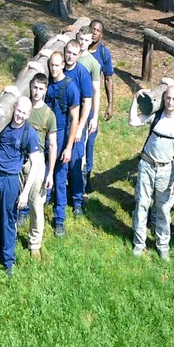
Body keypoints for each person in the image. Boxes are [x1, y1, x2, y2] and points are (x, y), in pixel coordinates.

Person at [0, 97, 42, 275]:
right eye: (18, 110)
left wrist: (25, 193)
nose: (20, 115)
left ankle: (8, 262)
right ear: (14, 108)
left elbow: (36, 164)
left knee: (7, 220)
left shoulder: (29, 133)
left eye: (24, 113)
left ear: (29, 114)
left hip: (10, 180)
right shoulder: (3, 122)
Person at [129, 86, 174, 261]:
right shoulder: (156, 114)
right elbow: (133, 121)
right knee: (142, 203)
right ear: (164, 98)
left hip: (166, 169)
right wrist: (135, 99)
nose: (170, 103)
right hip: (147, 165)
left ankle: (163, 245)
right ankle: (139, 243)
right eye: (168, 98)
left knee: (163, 209)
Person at [16, 74, 56, 261]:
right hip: (17, 157)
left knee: (36, 204)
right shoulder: (22, 106)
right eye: (34, 87)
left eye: (41, 88)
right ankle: (11, 234)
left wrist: (50, 174)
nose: (37, 92)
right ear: (30, 87)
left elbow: (53, 145)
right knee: (13, 200)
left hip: (37, 162)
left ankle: (34, 244)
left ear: (45, 90)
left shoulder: (49, 114)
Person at [49, 50, 89, 236]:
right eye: (51, 65)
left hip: (63, 134)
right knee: (41, 174)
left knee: (59, 176)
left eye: (57, 65)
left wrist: (69, 147)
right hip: (46, 135)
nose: (54, 68)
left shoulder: (71, 87)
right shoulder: (46, 84)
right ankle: (30, 210)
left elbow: (75, 118)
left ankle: (59, 220)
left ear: (63, 65)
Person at [73, 29, 100, 214]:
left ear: (91, 41)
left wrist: (95, 117)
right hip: (70, 108)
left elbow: (96, 92)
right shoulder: (71, 56)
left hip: (86, 110)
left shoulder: (93, 63)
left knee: (83, 150)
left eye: (86, 40)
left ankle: (81, 189)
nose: (83, 42)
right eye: (80, 39)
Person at [89, 20, 116, 122]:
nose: (94, 32)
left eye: (98, 30)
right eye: (93, 29)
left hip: (91, 99)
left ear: (101, 35)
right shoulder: (79, 48)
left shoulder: (104, 53)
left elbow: (108, 79)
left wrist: (110, 104)